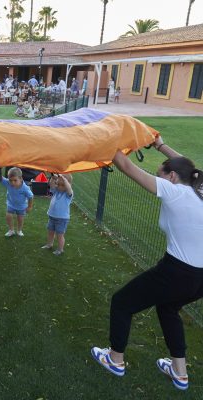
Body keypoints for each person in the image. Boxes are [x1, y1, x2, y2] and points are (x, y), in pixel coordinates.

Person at [91, 137, 203, 391]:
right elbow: (190, 167)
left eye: (160, 175)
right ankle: (179, 371)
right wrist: (160, 145)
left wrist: (106, 143)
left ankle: (115, 359)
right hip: (200, 278)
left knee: (122, 302)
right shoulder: (200, 186)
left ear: (172, 177)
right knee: (167, 308)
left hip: (178, 271)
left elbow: (129, 168)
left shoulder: (175, 192)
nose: (157, 179)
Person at [41, 174, 73, 255]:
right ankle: (49, 244)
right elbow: (51, 185)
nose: (59, 186)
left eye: (62, 185)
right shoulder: (56, 191)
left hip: (62, 219)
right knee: (50, 232)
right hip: (52, 216)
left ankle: (60, 249)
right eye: (58, 184)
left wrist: (64, 180)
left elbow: (68, 188)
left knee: (60, 235)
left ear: (68, 184)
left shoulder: (68, 194)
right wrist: (53, 178)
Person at [0, 167, 34, 237]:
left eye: (15, 180)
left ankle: (19, 230)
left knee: (20, 218)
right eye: (10, 180)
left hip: (21, 206)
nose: (12, 183)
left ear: (21, 179)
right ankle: (11, 230)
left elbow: (30, 196)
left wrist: (30, 206)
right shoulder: (8, 183)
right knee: (8, 215)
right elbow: (0, 178)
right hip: (11, 204)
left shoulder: (25, 188)